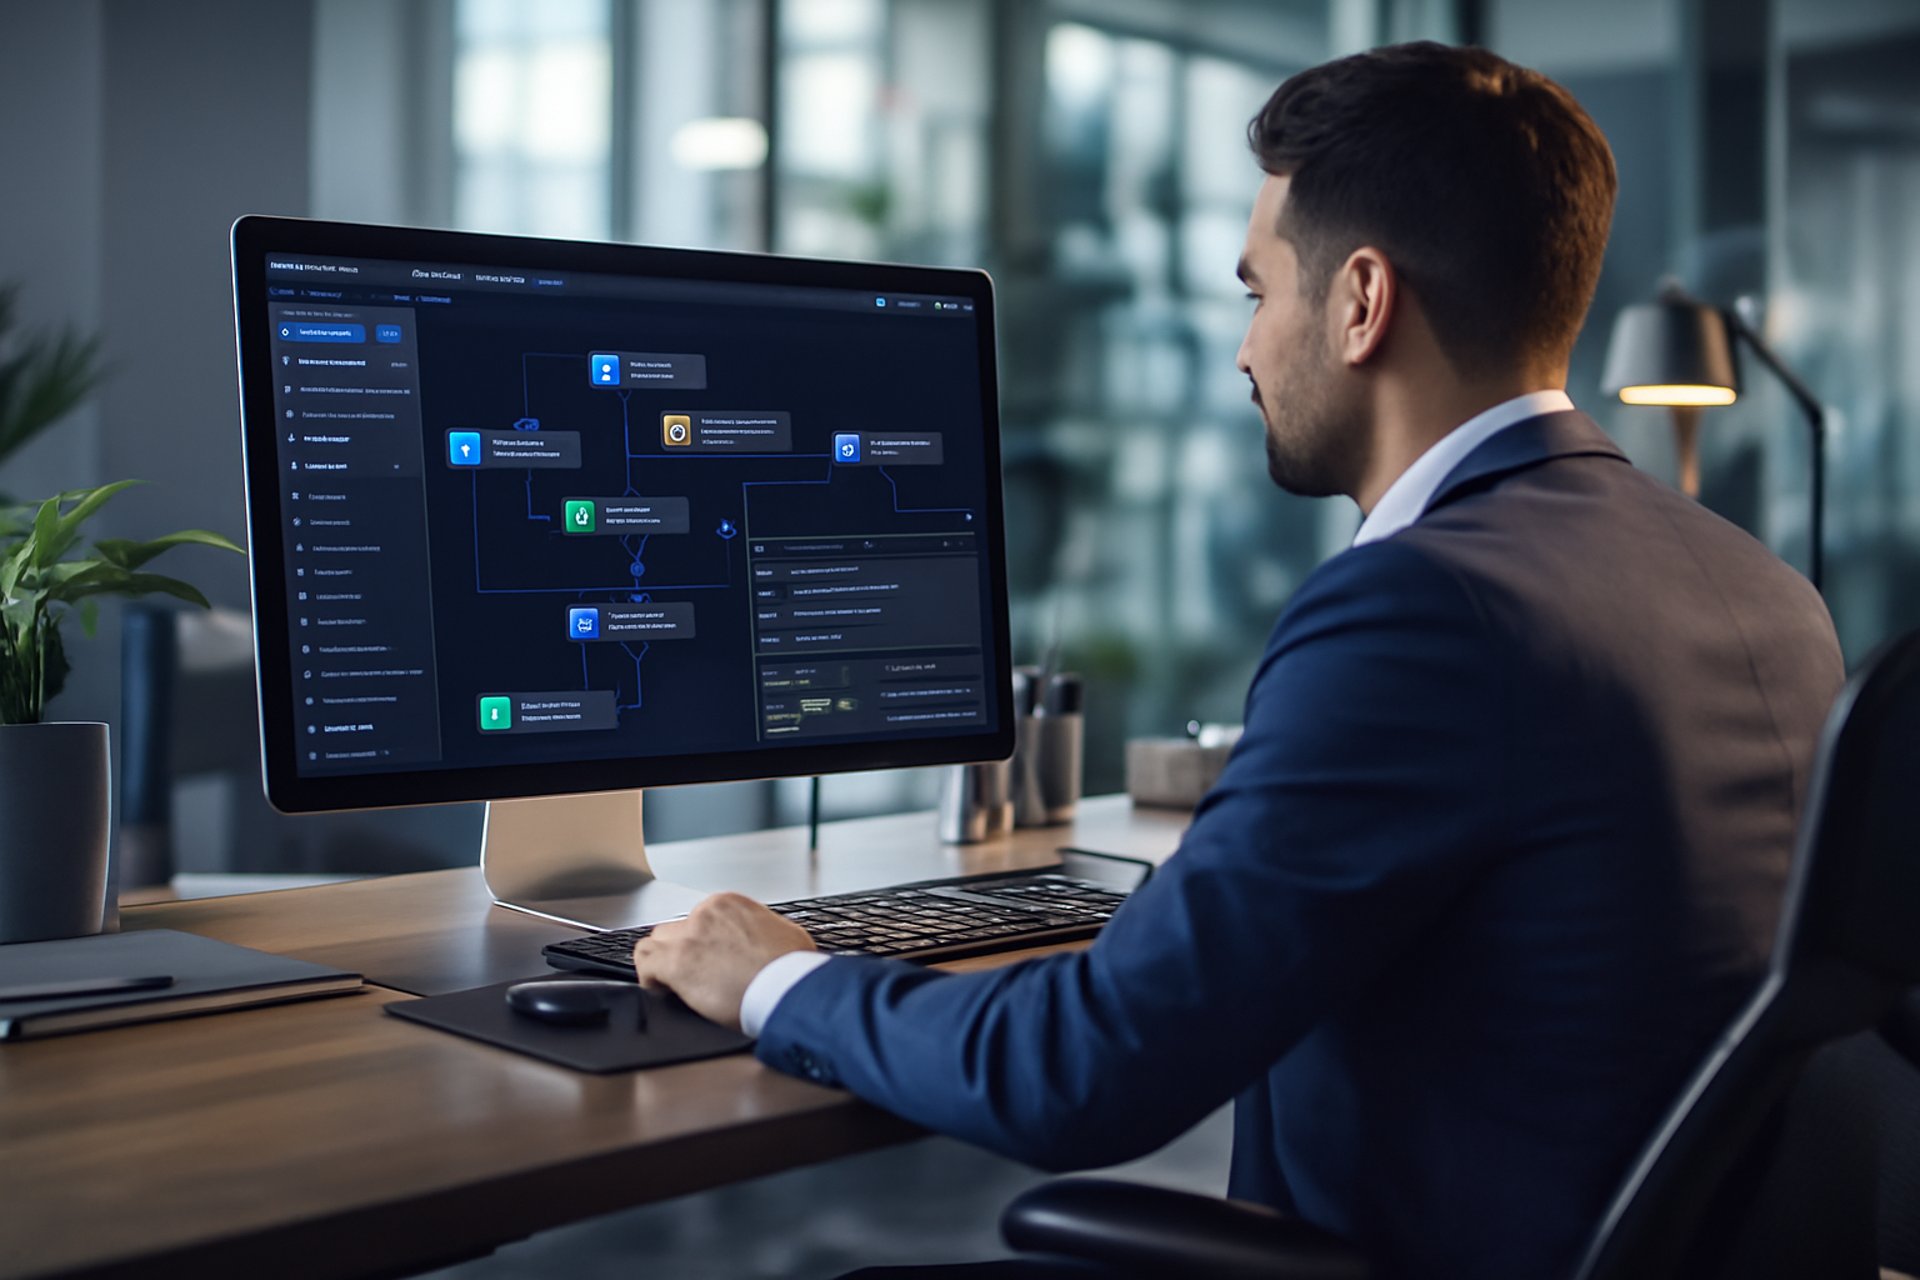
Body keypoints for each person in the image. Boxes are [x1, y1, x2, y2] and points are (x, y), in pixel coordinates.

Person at [632, 41, 1844, 1280]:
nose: (1244, 351)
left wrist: (786, 977)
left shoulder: (1425, 606)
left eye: (1257, 291)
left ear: (1362, 301)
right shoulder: (1768, 587)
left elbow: (1084, 1076)